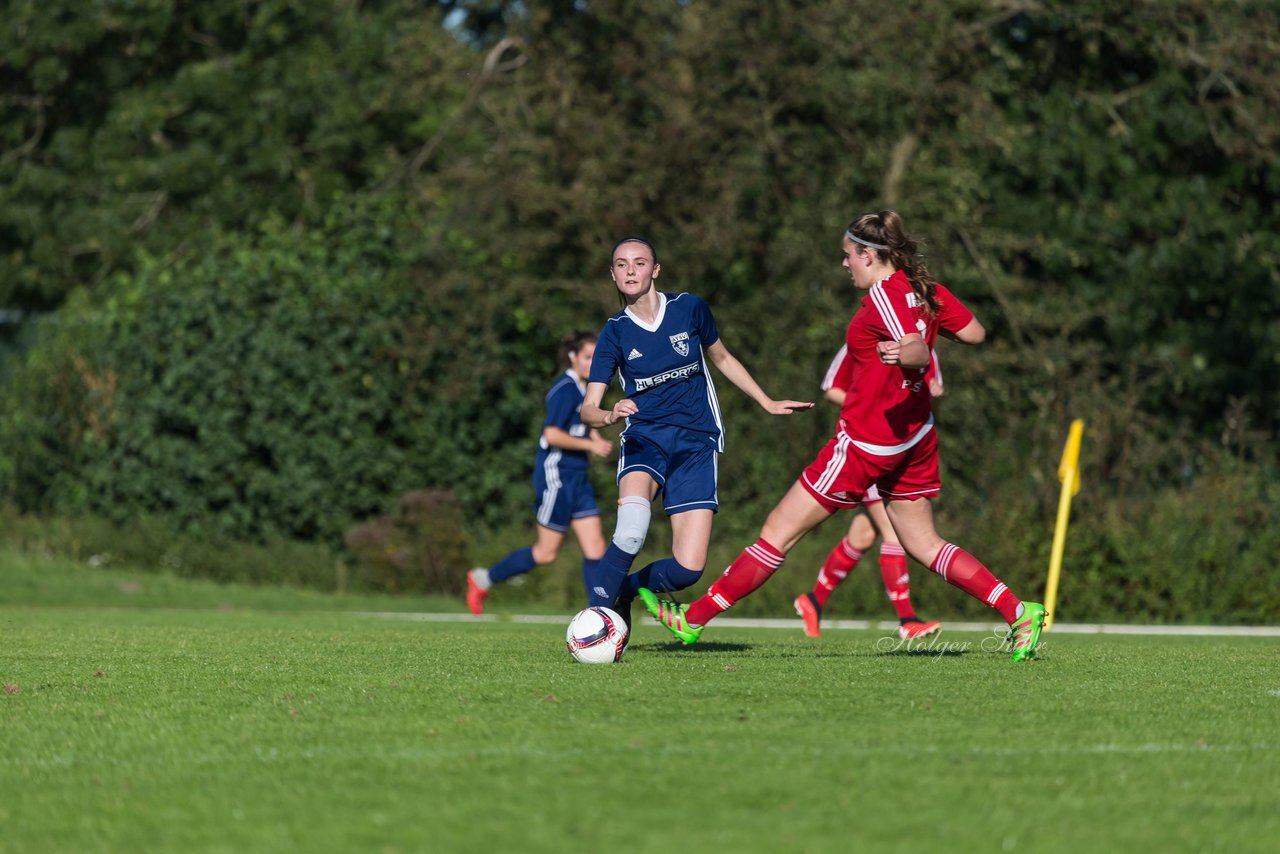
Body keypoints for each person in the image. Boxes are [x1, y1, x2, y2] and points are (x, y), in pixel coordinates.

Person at [640, 211, 1047, 662]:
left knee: (777, 531)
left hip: (866, 445)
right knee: (923, 543)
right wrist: (921, 334)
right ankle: (1018, 611)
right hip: (913, 437)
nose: (844, 264)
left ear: (869, 255)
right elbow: (975, 332)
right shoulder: (922, 290)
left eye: (848, 256)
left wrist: (908, 353)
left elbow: (912, 345)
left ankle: (692, 619)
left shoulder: (886, 296)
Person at [579, 236, 813, 631]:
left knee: (688, 570)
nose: (630, 270)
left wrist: (766, 401)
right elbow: (588, 407)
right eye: (621, 264)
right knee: (631, 533)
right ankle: (593, 624)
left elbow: (721, 357)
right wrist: (608, 415)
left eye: (639, 262)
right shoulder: (614, 332)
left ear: (656, 270)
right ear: (613, 274)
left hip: (696, 443)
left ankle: (626, 590)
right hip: (645, 440)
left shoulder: (690, 308)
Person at [793, 343, 945, 640]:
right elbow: (831, 389)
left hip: (902, 454)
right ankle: (907, 620)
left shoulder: (925, 349)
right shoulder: (862, 341)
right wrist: (869, 406)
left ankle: (814, 601)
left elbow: (924, 397)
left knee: (861, 537)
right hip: (868, 449)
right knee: (894, 534)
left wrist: (935, 393)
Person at [466, 331, 614, 615]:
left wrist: (594, 438)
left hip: (578, 477)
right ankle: (482, 579)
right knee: (546, 553)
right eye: (587, 357)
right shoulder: (564, 389)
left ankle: (599, 614)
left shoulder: (585, 391)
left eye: (597, 357)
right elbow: (551, 434)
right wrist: (588, 445)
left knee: (595, 547)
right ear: (573, 357)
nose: (592, 363)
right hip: (556, 476)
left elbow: (579, 424)